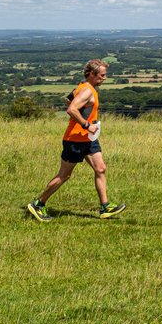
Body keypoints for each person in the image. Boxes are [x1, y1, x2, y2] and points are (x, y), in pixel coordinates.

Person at [27, 59, 126, 221]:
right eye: (102, 75)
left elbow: (69, 99)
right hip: (75, 139)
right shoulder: (87, 91)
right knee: (64, 175)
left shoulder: (84, 87)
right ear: (92, 75)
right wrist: (87, 124)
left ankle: (105, 207)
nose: (104, 78)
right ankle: (38, 204)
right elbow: (71, 108)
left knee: (100, 168)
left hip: (88, 139)